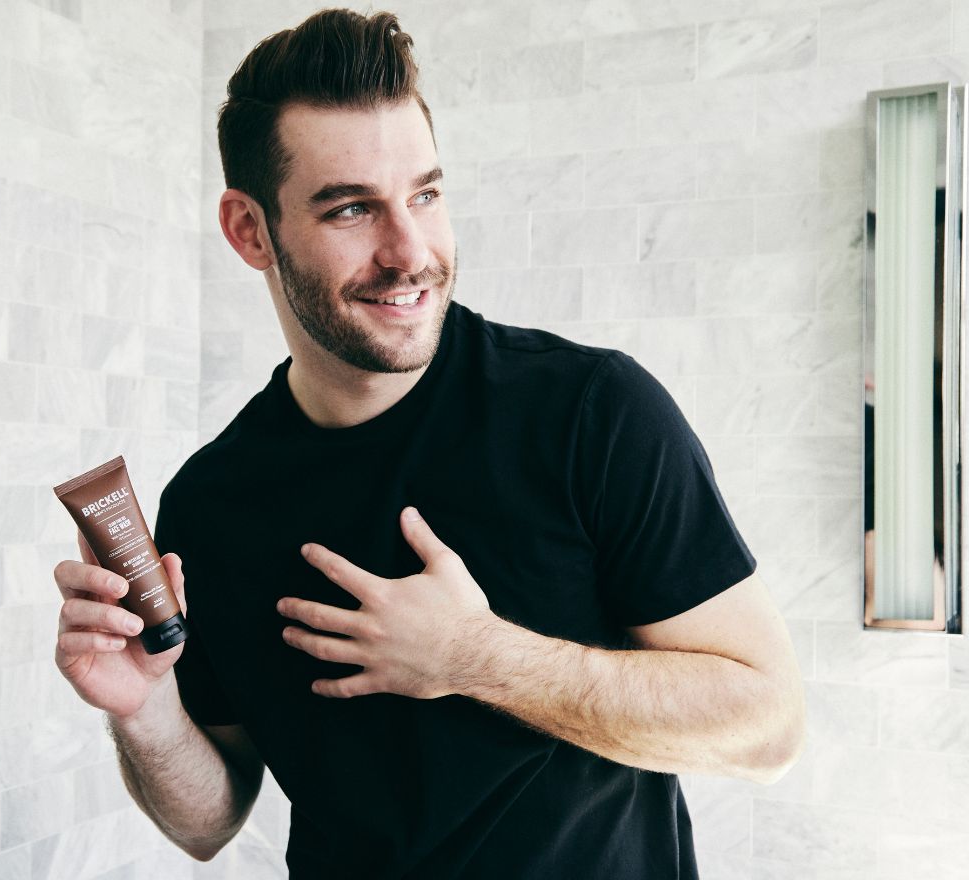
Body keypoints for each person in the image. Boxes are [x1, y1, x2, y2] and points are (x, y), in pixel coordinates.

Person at [52, 8, 806, 878]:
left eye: (426, 195)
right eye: (350, 210)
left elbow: (767, 728)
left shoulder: (591, 413)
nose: (410, 251)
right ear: (250, 231)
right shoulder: (212, 503)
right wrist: (143, 710)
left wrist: (476, 657)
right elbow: (207, 822)